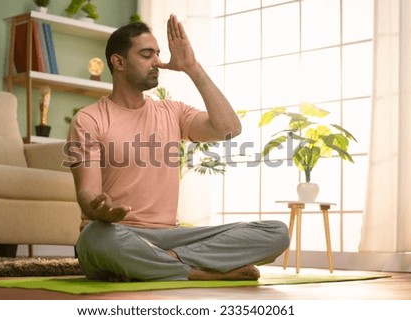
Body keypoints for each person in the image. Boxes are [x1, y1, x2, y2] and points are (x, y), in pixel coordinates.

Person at [66, 14, 289, 282]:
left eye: (158, 54)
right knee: (94, 238)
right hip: (117, 233)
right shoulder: (90, 119)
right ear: (119, 62)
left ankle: (165, 263)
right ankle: (198, 272)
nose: (157, 62)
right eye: (147, 54)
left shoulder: (172, 111)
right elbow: (87, 190)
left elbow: (229, 128)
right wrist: (97, 208)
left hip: (171, 237)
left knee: (276, 232)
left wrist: (192, 67)